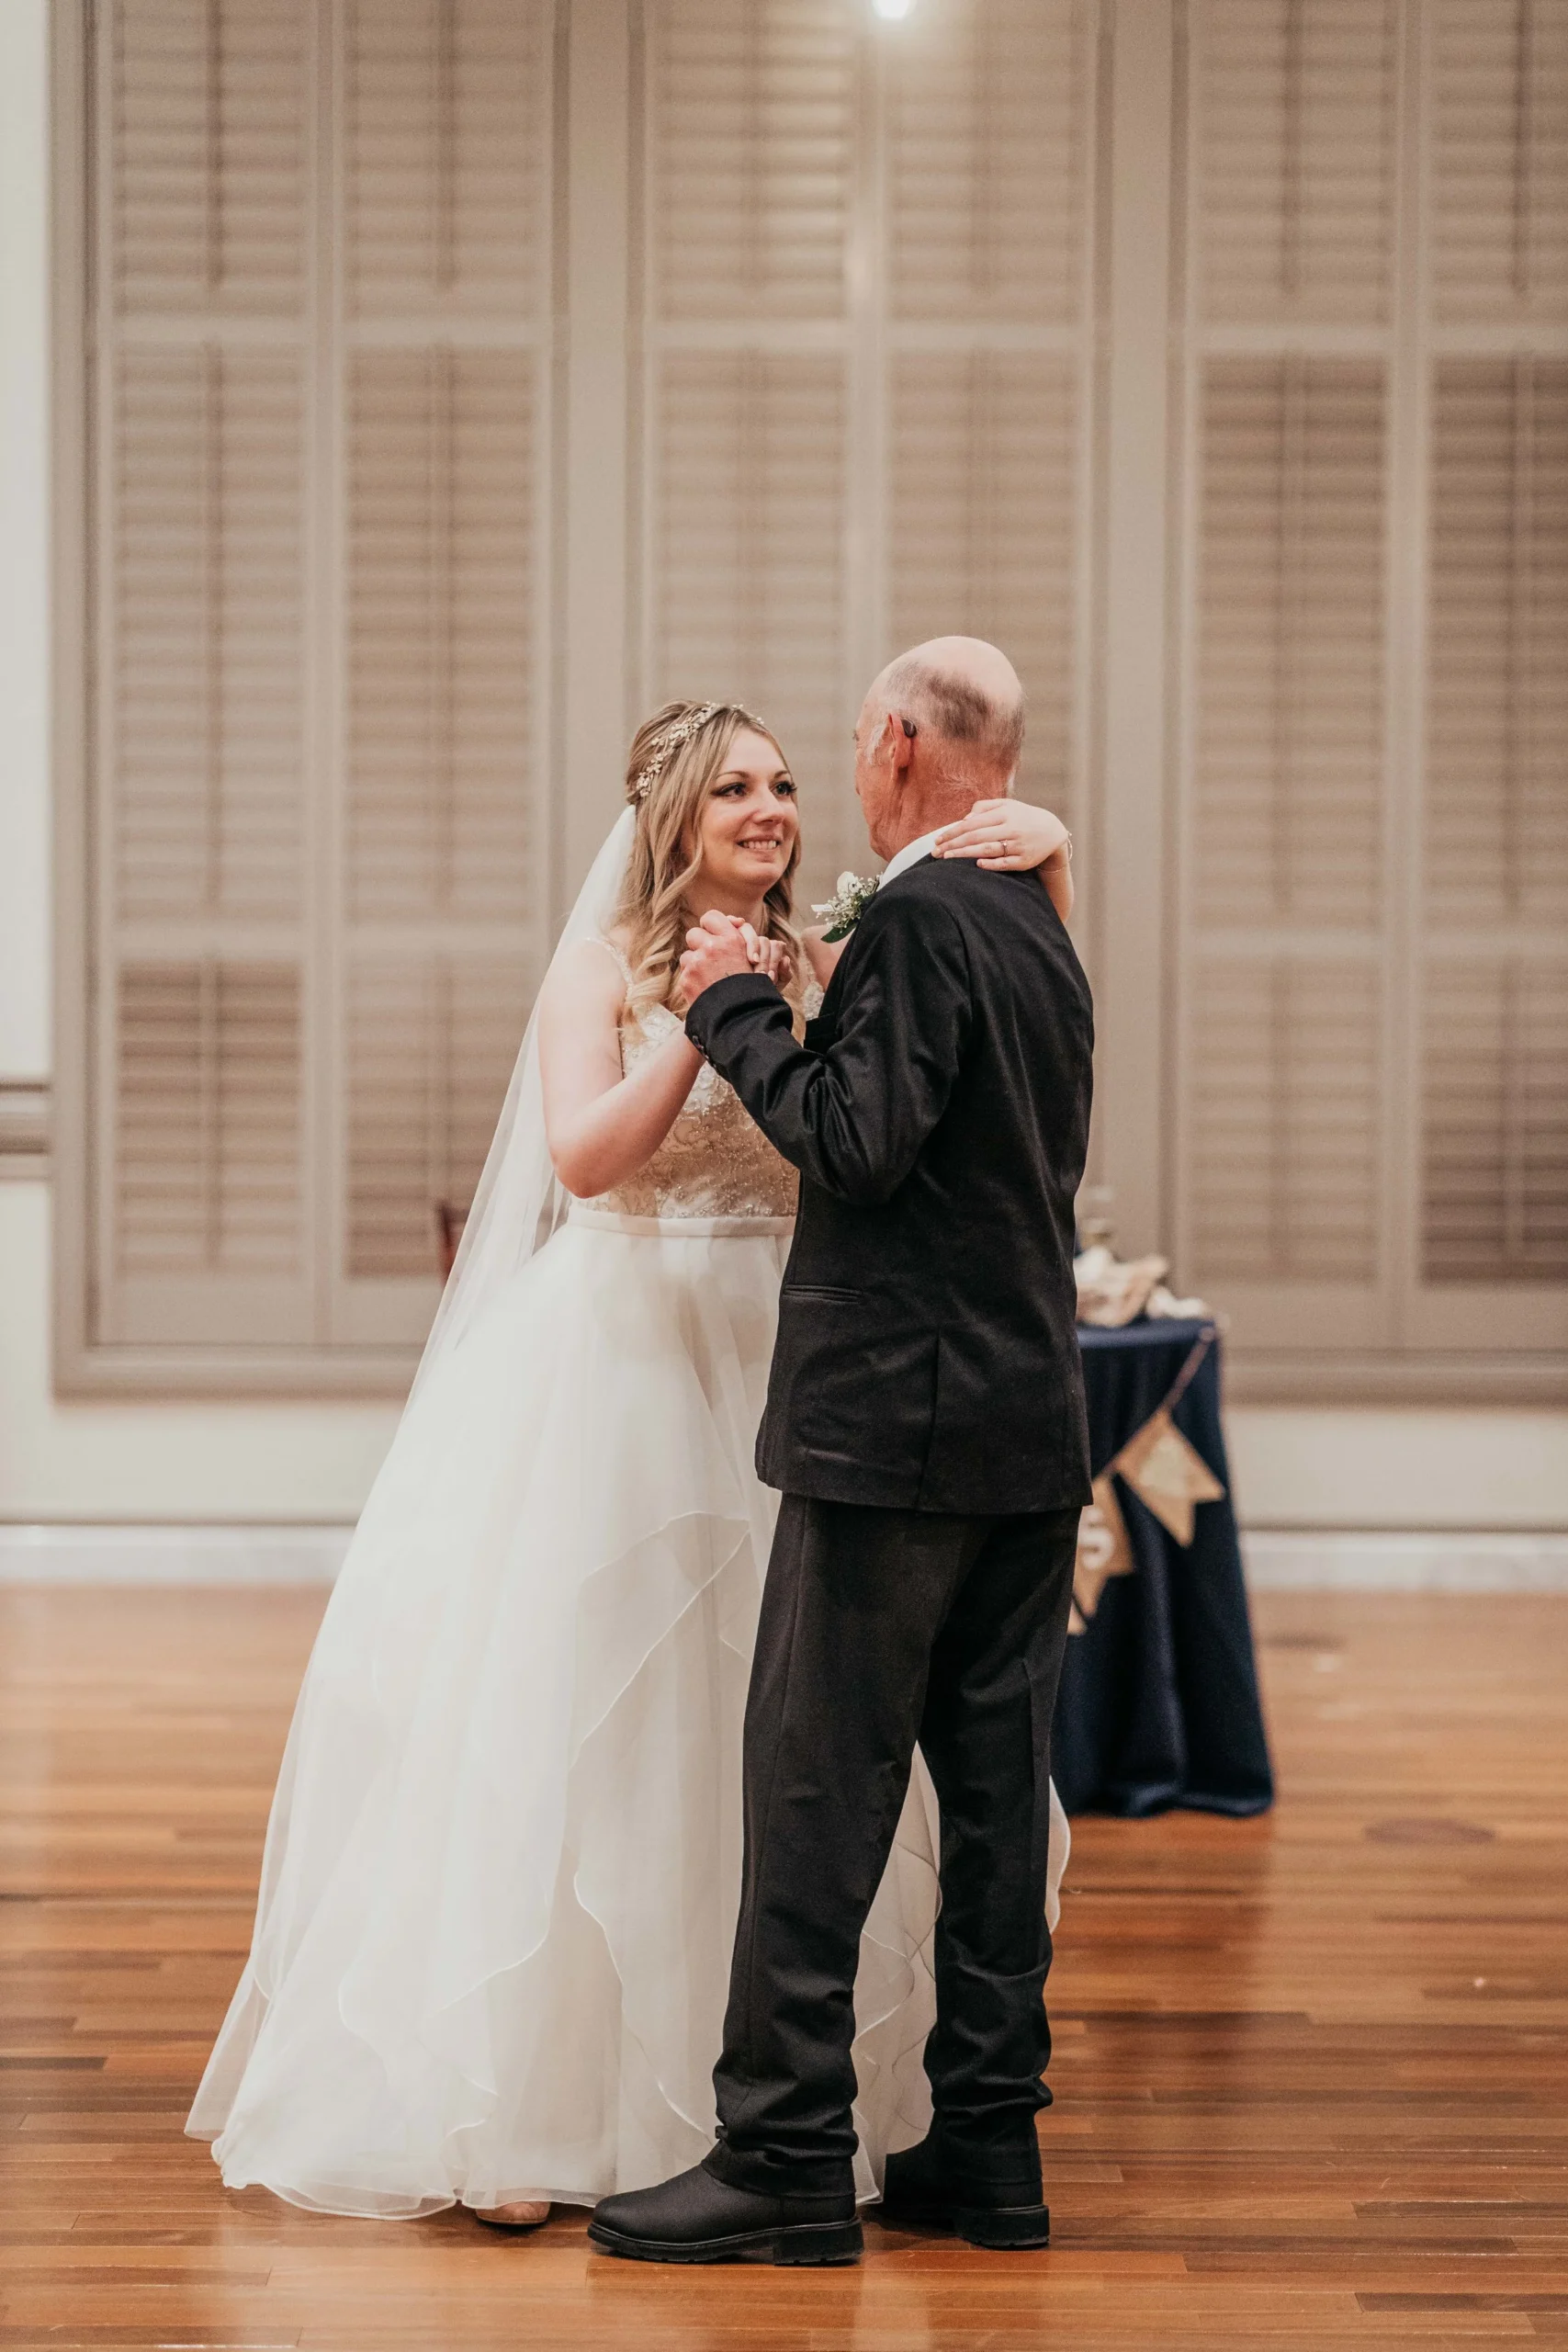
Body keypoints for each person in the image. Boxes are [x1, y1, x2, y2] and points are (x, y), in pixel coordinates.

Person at [186, 693, 1075, 2226]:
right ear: (670, 815)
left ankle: (782, 2106)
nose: (769, 808)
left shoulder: (840, 951)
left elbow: (889, 1115)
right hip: (624, 1360)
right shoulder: (599, 967)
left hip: (798, 1358)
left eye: (783, 782)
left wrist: (1034, 869)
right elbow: (583, 1159)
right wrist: (699, 1030)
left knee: (788, 1749)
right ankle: (538, 2104)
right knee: (596, 1713)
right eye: (732, 789)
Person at [588, 639, 1093, 2268]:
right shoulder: (1036, 921)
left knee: (815, 1795)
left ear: (888, 744)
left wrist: (730, 1007)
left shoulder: (925, 919)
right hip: (1025, 1424)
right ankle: (989, 2151)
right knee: (994, 1805)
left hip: (895, 1433)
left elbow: (854, 1146)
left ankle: (784, 2155)